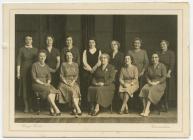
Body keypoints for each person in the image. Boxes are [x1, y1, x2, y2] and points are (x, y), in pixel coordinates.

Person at [31, 50, 61, 116]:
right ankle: (55, 108)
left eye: (43, 56)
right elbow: (34, 78)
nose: (42, 58)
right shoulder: (34, 65)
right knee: (48, 90)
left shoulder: (46, 66)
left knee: (53, 89)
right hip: (37, 84)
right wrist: (43, 84)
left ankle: (51, 108)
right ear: (38, 57)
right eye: (40, 56)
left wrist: (48, 82)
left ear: (45, 57)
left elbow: (49, 77)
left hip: (46, 83)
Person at [16, 35, 38, 113]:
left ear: (32, 40)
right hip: (24, 70)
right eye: (27, 39)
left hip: (33, 70)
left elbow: (37, 62)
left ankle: (31, 106)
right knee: (25, 88)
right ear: (25, 41)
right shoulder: (21, 49)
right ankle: (26, 106)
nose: (28, 41)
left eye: (30, 39)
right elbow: (18, 61)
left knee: (31, 88)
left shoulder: (35, 49)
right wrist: (18, 72)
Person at [127, 37, 149, 111]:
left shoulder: (144, 52)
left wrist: (142, 71)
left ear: (140, 44)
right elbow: (128, 62)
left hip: (141, 74)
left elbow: (146, 63)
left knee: (140, 89)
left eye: (138, 43)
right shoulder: (130, 52)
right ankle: (132, 105)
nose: (137, 44)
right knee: (132, 88)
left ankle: (141, 106)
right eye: (135, 43)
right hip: (132, 73)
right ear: (133, 44)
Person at [58, 51, 81, 117]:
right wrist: (66, 82)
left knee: (76, 89)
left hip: (73, 81)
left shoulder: (75, 64)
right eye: (67, 55)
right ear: (66, 57)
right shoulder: (63, 64)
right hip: (64, 82)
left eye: (70, 55)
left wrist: (73, 82)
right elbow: (61, 75)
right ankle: (78, 109)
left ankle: (74, 109)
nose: (69, 57)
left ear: (72, 56)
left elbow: (76, 75)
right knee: (71, 91)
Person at [81, 38, 101, 112]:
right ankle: (90, 106)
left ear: (95, 43)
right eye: (90, 42)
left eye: (93, 42)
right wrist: (90, 69)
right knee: (87, 86)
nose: (91, 44)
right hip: (87, 71)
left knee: (96, 86)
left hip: (96, 70)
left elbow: (99, 61)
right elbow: (84, 62)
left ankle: (96, 104)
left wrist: (94, 68)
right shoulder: (85, 51)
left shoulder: (99, 51)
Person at [158, 40, 175, 112]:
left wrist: (169, 73)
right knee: (161, 88)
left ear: (167, 45)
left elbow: (172, 63)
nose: (162, 45)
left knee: (167, 89)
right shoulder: (158, 53)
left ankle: (166, 104)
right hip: (160, 72)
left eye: (164, 44)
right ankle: (161, 104)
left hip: (168, 72)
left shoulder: (171, 53)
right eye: (161, 44)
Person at [109, 40, 124, 111]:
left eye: (115, 44)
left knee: (118, 89)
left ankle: (118, 106)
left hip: (119, 74)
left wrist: (116, 70)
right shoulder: (109, 54)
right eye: (112, 45)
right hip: (110, 73)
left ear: (118, 45)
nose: (113, 46)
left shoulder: (121, 54)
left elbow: (122, 65)